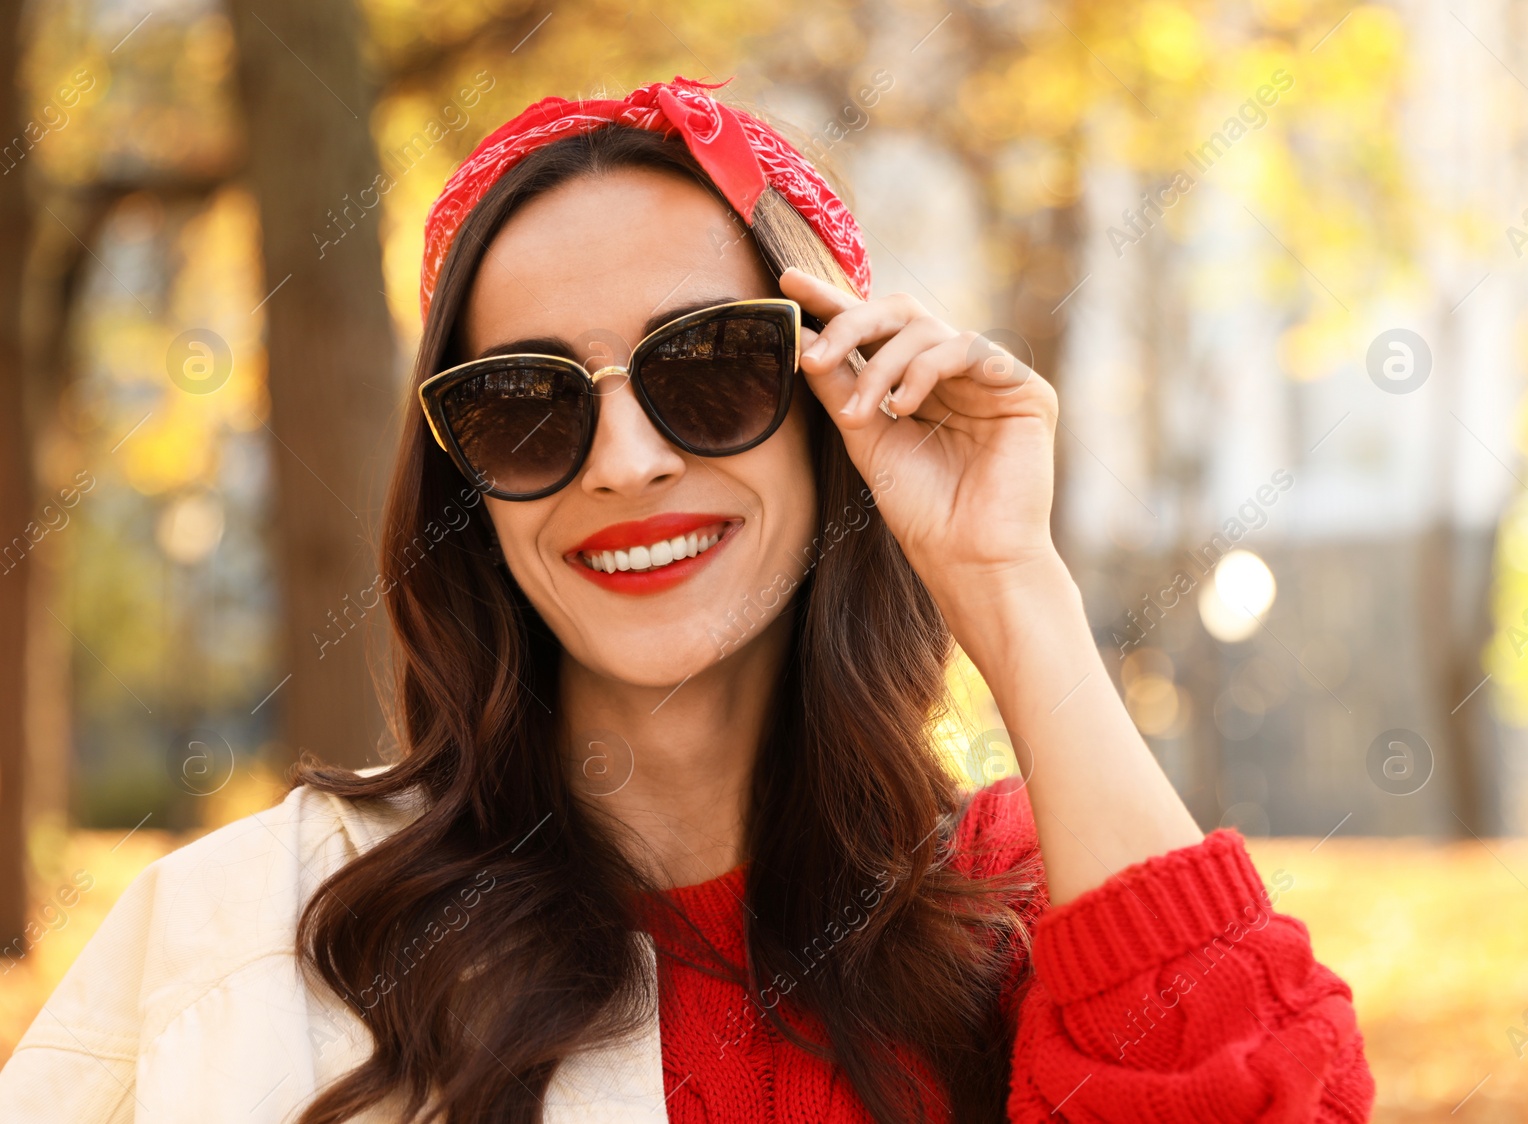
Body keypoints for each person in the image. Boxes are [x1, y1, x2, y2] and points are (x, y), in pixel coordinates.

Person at [0, 76, 1373, 1122]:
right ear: (467, 492)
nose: (627, 460)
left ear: (837, 413)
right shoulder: (259, 942)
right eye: (525, 406)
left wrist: (1013, 588)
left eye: (710, 369)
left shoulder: (1016, 910)